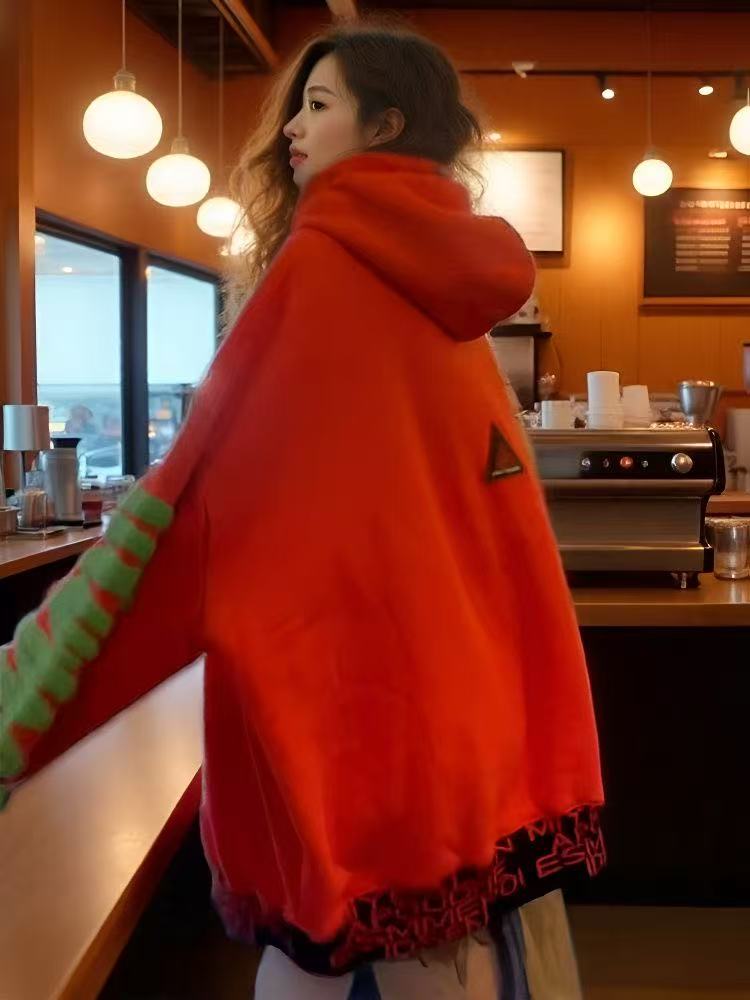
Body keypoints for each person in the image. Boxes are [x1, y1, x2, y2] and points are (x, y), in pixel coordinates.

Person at [0, 23, 603, 999]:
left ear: (387, 124)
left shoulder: (322, 275)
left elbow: (192, 511)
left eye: (318, 106)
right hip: (467, 717)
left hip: (346, 725)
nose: (291, 128)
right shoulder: (455, 300)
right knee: (443, 959)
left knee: (320, 962)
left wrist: (24, 703)